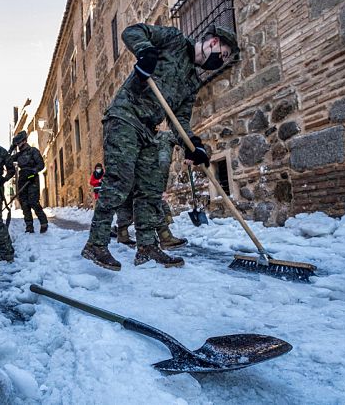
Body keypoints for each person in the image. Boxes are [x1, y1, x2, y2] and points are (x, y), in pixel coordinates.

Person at [81, 23, 238, 271]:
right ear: (214, 43)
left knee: (150, 189)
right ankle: (96, 244)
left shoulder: (191, 82)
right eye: (225, 55)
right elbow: (132, 31)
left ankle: (147, 247)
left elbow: (180, 120)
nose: (221, 60)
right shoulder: (174, 40)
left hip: (148, 129)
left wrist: (193, 146)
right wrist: (146, 52)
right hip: (125, 115)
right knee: (119, 181)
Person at [112, 131, 188, 249]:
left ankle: (124, 235)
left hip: (133, 173)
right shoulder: (155, 136)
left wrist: (192, 153)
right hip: (142, 174)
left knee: (134, 203)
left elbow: (183, 138)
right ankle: (163, 237)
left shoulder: (141, 135)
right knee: (150, 203)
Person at [3, 131, 48, 233]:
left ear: (24, 141)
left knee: (33, 202)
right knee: (24, 203)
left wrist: (33, 171)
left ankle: (44, 223)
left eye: (19, 143)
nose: (18, 145)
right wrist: (11, 148)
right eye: (16, 143)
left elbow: (41, 165)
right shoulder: (18, 155)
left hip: (32, 178)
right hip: (22, 178)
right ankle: (29, 227)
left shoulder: (33, 151)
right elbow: (7, 160)